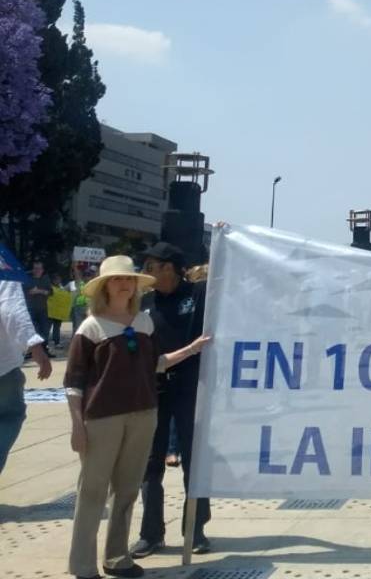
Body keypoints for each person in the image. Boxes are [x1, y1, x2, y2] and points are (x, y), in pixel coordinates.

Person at [65, 255, 210, 579]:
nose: (125, 284)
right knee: (93, 491)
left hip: (143, 414)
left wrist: (191, 348)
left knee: (128, 489)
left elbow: (155, 362)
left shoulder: (144, 323)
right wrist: (77, 426)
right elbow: (74, 383)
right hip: (101, 418)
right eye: (117, 279)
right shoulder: (90, 328)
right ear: (105, 286)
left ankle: (117, 557)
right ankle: (83, 566)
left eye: (129, 279)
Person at [132, 242, 213, 557]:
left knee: (195, 461)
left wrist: (223, 237)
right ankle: (151, 534)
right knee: (150, 464)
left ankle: (196, 529)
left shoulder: (199, 295)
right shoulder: (145, 303)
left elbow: (230, 280)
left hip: (193, 390)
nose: (146, 272)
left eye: (151, 266)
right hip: (153, 389)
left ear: (170, 268)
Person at [1, 279, 52, 475]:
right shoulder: (3, 267)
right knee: (9, 416)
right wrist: (35, 347)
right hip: (2, 368)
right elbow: (11, 310)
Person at [23, 259, 53, 352]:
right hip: (30, 309)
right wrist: (33, 292)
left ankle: (44, 349)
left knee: (45, 330)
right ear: (33, 269)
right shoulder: (28, 279)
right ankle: (32, 350)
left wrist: (39, 291)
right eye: (35, 268)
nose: (37, 270)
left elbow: (51, 292)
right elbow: (24, 292)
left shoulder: (45, 279)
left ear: (42, 270)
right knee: (33, 330)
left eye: (39, 268)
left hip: (43, 309)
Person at [47, 272, 73, 351]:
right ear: (53, 280)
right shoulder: (50, 288)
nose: (57, 281)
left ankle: (56, 342)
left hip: (59, 313)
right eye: (56, 279)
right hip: (50, 312)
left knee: (57, 328)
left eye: (58, 279)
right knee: (47, 328)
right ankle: (45, 343)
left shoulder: (62, 288)